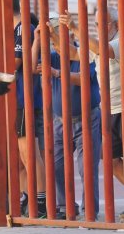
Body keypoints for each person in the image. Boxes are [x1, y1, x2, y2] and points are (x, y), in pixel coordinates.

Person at [32, 17, 101, 219]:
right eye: (53, 36)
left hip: (86, 118)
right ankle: (64, 207)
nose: (55, 41)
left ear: (71, 35)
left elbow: (83, 79)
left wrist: (56, 72)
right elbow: (31, 66)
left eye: (58, 35)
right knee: (57, 167)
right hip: (59, 120)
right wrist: (37, 39)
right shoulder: (53, 55)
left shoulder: (83, 52)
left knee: (86, 167)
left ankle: (90, 211)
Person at [59, 7, 123, 221]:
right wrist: (51, 36)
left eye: (103, 23)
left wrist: (75, 27)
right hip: (107, 109)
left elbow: (103, 51)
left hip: (122, 109)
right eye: (95, 24)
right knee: (112, 161)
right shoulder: (95, 44)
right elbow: (76, 53)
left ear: (115, 24)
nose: (98, 28)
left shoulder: (119, 41)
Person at [12, 0, 46, 217]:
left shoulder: (24, 28)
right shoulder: (17, 29)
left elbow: (15, 63)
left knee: (29, 153)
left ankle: (41, 200)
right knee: (20, 158)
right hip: (17, 98)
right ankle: (27, 197)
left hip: (26, 98)